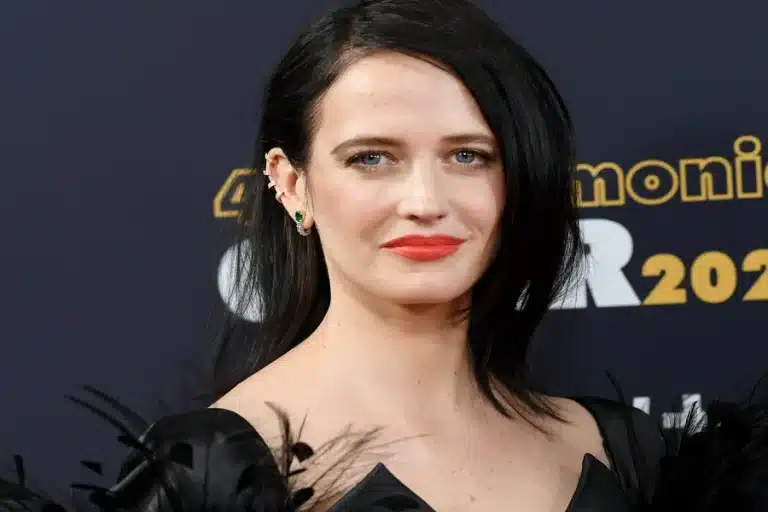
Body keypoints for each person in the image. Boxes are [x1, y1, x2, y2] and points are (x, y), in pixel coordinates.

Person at [3, 1, 767, 511]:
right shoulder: (215, 473)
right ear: (292, 184)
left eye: (469, 156)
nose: (425, 200)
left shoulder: (624, 449)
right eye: (372, 158)